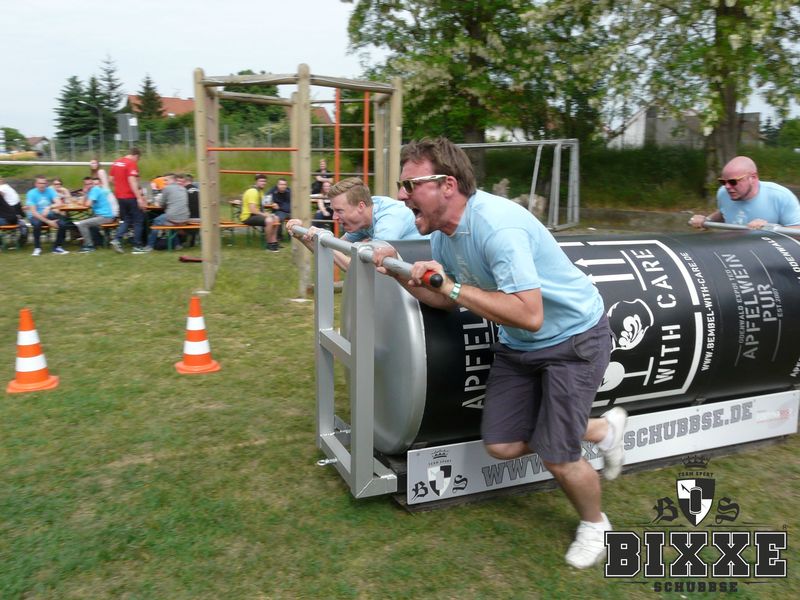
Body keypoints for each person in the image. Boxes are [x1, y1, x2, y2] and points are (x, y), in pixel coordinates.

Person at [370, 138, 626, 569]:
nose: (400, 195)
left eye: (410, 184)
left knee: (557, 454)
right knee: (502, 445)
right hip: (519, 345)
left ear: (447, 185)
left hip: (573, 340)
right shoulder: (445, 235)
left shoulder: (498, 227)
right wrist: (402, 274)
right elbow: (447, 301)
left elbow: (530, 314)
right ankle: (599, 429)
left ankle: (595, 524)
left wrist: (449, 285)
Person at [286, 177, 426, 271]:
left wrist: (321, 238)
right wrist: (305, 237)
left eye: (339, 211)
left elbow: (357, 269)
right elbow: (334, 249)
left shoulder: (388, 221)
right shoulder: (366, 213)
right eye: (333, 211)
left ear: (360, 206)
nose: (334, 217)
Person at [689, 156, 800, 230]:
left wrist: (770, 228)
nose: (727, 186)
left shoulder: (780, 196)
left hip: (769, 254)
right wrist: (707, 220)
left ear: (753, 178)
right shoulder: (723, 193)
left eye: (733, 182)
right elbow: (724, 212)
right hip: (735, 252)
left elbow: (798, 231)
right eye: (723, 182)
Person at [139, 173, 191, 252]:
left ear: (172, 180)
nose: (164, 182)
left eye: (166, 180)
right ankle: (177, 245)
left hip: (173, 217)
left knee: (156, 221)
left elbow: (161, 204)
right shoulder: (183, 188)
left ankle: (150, 246)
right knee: (170, 223)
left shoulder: (167, 188)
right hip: (185, 217)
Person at [109, 147, 147, 253]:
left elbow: (111, 179)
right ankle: (137, 246)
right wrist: (139, 198)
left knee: (126, 219)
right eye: (138, 159)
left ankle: (117, 239)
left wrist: (120, 185)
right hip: (130, 196)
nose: (137, 161)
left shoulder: (116, 162)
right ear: (136, 156)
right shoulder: (131, 164)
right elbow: (132, 181)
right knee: (138, 220)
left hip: (120, 197)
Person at [24, 175, 71, 255]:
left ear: (46, 184)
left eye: (44, 183)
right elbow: (34, 212)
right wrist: (49, 222)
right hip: (35, 216)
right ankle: (37, 248)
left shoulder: (50, 191)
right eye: (40, 183)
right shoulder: (31, 193)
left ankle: (57, 247)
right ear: (36, 184)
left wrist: (48, 207)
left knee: (63, 224)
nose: (42, 185)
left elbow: (59, 203)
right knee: (37, 224)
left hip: (48, 214)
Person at [240, 174, 280, 252]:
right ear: (256, 182)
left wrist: (273, 205)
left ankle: (274, 242)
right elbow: (253, 210)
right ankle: (269, 244)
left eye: (264, 181)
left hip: (255, 215)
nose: (263, 183)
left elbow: (263, 205)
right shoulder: (253, 192)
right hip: (247, 216)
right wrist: (265, 214)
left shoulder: (260, 192)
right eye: (261, 181)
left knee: (276, 218)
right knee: (269, 220)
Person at [75, 177, 116, 253]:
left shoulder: (95, 190)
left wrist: (85, 198)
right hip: (101, 216)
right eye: (87, 184)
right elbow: (82, 203)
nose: (89, 186)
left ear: (93, 184)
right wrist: (85, 193)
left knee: (81, 224)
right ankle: (97, 242)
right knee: (86, 222)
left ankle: (89, 246)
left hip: (106, 217)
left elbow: (88, 204)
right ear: (84, 185)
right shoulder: (91, 191)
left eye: (90, 184)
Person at [0, 176, 28, 244]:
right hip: (16, 211)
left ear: (1, 180)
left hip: (11, 212)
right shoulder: (7, 187)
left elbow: (1, 194)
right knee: (20, 223)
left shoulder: (2, 187)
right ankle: (22, 236)